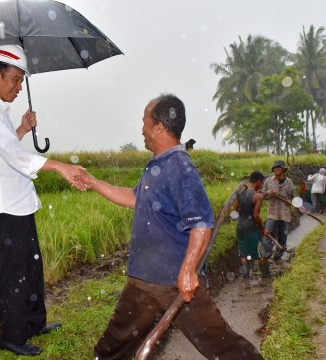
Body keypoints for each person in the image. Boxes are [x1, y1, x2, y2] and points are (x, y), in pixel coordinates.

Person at [80, 94, 263, 359]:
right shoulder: (157, 165)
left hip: (173, 282)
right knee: (112, 349)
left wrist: (188, 271)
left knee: (221, 346)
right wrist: (93, 182)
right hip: (142, 280)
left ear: (159, 128)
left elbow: (201, 223)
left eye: (144, 121)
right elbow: (134, 198)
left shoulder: (179, 166)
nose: (141, 128)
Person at [0, 44, 86, 356]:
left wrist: (21, 127)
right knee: (13, 273)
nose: (19, 87)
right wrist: (60, 166)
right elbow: (12, 155)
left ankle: (34, 323)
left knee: (32, 267)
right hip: (6, 205)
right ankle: (11, 336)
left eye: (21, 81)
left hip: (20, 201)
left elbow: (6, 146)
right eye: (15, 80)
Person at [233, 171, 271, 279]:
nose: (262, 185)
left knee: (243, 251)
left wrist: (244, 214)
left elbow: (235, 209)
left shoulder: (240, 193)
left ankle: (246, 276)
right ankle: (266, 276)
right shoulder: (257, 196)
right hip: (252, 228)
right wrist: (263, 229)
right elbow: (256, 216)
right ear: (258, 181)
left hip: (240, 226)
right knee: (260, 252)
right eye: (261, 182)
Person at [262, 160, 294, 261]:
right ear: (273, 169)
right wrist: (269, 193)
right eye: (275, 167)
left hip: (284, 213)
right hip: (272, 213)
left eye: (279, 167)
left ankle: (278, 257)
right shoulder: (268, 181)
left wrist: (296, 204)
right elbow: (262, 195)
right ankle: (266, 255)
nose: (276, 169)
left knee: (282, 237)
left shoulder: (289, 182)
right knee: (268, 234)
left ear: (283, 169)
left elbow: (292, 196)